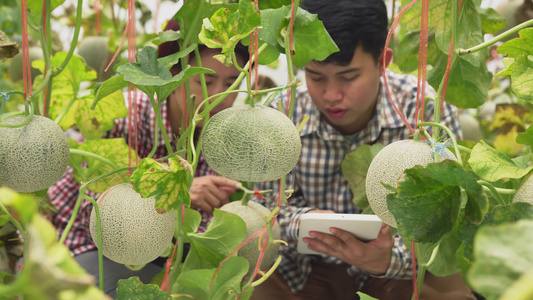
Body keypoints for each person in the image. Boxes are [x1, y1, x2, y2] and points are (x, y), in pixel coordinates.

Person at [250, 1, 475, 300]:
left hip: (397, 271)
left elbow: (444, 227)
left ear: (383, 61)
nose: (331, 95)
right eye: (315, 76)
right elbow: (265, 210)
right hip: (303, 270)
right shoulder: (281, 112)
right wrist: (305, 223)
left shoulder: (423, 110)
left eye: (348, 77)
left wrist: (388, 259)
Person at [46, 19, 249, 298]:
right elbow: (79, 205)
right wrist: (170, 192)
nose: (219, 96)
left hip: (162, 254)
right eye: (206, 81)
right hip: (83, 244)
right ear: (173, 76)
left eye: (231, 83)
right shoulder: (122, 115)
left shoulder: (230, 136)